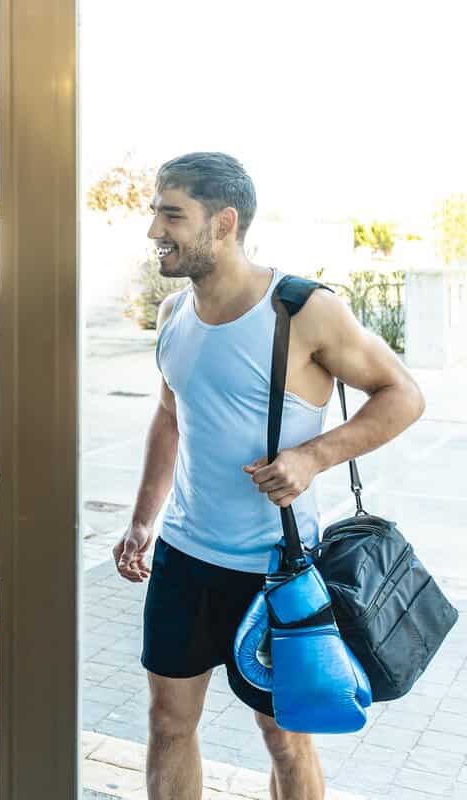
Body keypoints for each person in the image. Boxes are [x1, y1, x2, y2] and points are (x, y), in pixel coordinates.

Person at [111, 152, 426, 800]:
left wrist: (312, 457)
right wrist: (143, 521)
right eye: (155, 214)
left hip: (277, 569)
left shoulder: (301, 309)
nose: (154, 231)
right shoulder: (174, 315)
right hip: (183, 559)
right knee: (168, 724)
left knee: (285, 737)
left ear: (224, 222)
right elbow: (171, 417)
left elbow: (403, 394)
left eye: (172, 215)